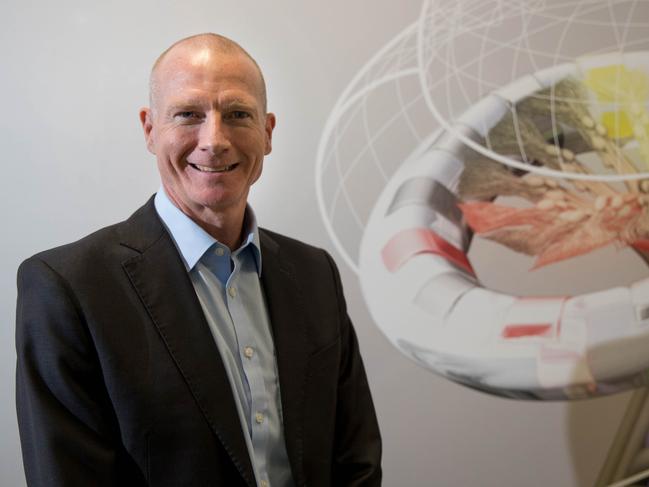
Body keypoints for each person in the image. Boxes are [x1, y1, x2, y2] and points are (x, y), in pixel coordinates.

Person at [15, 33, 382, 487]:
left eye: (237, 114)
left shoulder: (314, 273)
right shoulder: (69, 288)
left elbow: (356, 462)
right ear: (150, 129)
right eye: (189, 114)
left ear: (267, 132)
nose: (215, 140)